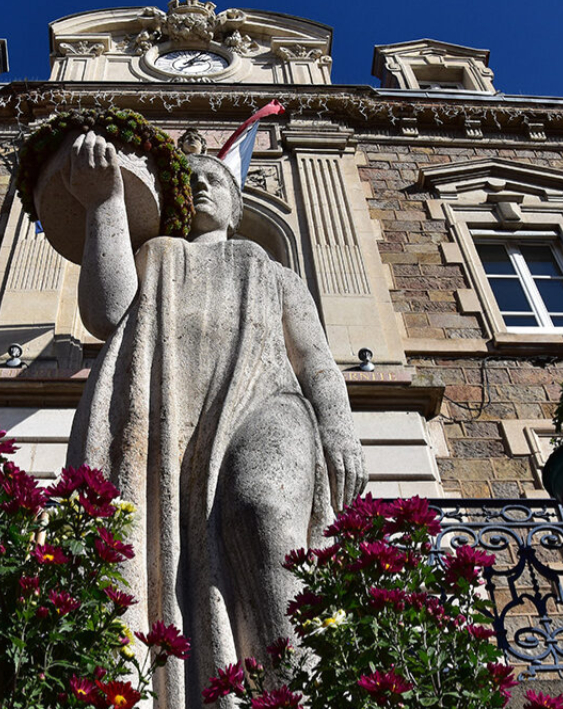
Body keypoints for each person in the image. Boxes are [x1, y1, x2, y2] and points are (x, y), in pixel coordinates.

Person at [65, 130, 365, 708]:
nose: (202, 183)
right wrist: (103, 203)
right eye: (191, 179)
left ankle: (297, 689)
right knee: (167, 561)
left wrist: (338, 425)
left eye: (216, 179)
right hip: (170, 421)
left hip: (266, 399)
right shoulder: (156, 257)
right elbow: (104, 315)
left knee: (263, 506)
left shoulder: (271, 268)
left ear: (237, 203)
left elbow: (317, 360)